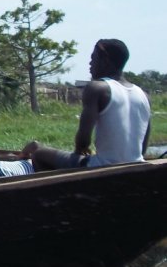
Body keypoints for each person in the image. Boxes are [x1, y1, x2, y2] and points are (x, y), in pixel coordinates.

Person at [26, 39, 151, 170]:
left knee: (39, 154)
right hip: (136, 164)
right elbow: (142, 149)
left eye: (94, 58)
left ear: (106, 61)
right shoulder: (143, 95)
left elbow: (83, 142)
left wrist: (80, 152)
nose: (90, 63)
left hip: (102, 166)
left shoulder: (97, 88)